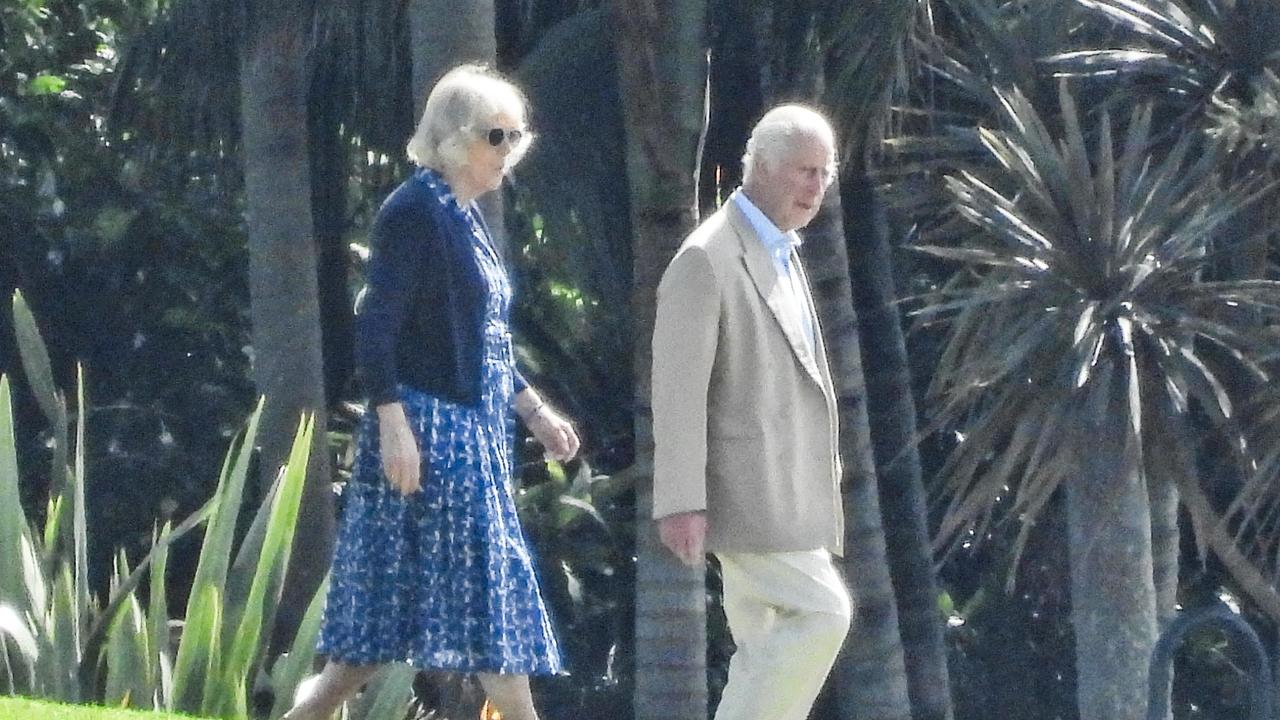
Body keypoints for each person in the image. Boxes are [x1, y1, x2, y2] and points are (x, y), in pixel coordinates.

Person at [283, 64, 579, 720]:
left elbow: (476, 341)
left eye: (516, 136)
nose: (510, 150)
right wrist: (394, 427)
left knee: (373, 637)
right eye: (496, 136)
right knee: (489, 604)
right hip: (431, 437)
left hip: (472, 432)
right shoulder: (415, 211)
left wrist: (533, 410)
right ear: (455, 139)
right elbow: (376, 327)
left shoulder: (463, 217)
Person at [650, 104, 852, 720]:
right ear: (760, 168)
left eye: (824, 173)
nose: (814, 187)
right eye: (802, 171)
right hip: (745, 493)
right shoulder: (705, 257)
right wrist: (680, 500)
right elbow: (676, 389)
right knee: (826, 614)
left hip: (788, 493)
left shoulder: (781, 249)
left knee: (763, 648)